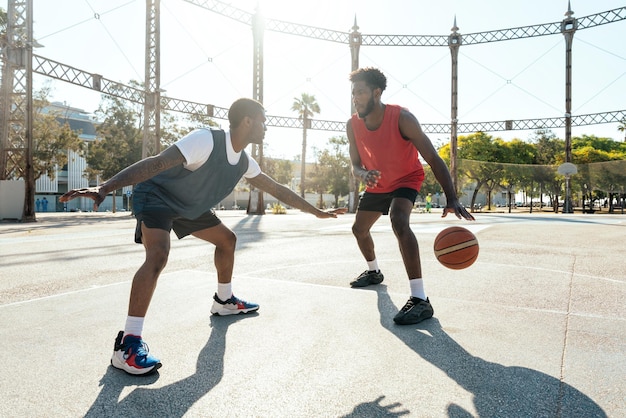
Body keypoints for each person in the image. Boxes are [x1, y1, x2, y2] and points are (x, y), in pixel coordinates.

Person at [60, 98, 346, 375]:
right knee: (158, 255)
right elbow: (157, 164)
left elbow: (278, 189)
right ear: (247, 121)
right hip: (157, 196)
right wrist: (106, 187)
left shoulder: (244, 161)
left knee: (227, 240)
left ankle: (224, 301)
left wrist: (316, 212)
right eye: (263, 122)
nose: (266, 128)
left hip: (188, 206)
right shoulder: (206, 140)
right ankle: (127, 346)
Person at [346, 67, 474, 325]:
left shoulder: (402, 118)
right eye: (353, 93)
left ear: (376, 92)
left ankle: (420, 299)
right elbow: (354, 165)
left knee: (399, 220)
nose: (355, 98)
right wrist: (362, 174)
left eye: (360, 92)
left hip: (406, 178)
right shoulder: (352, 125)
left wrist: (452, 197)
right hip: (377, 182)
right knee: (359, 230)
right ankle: (374, 273)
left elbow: (433, 158)